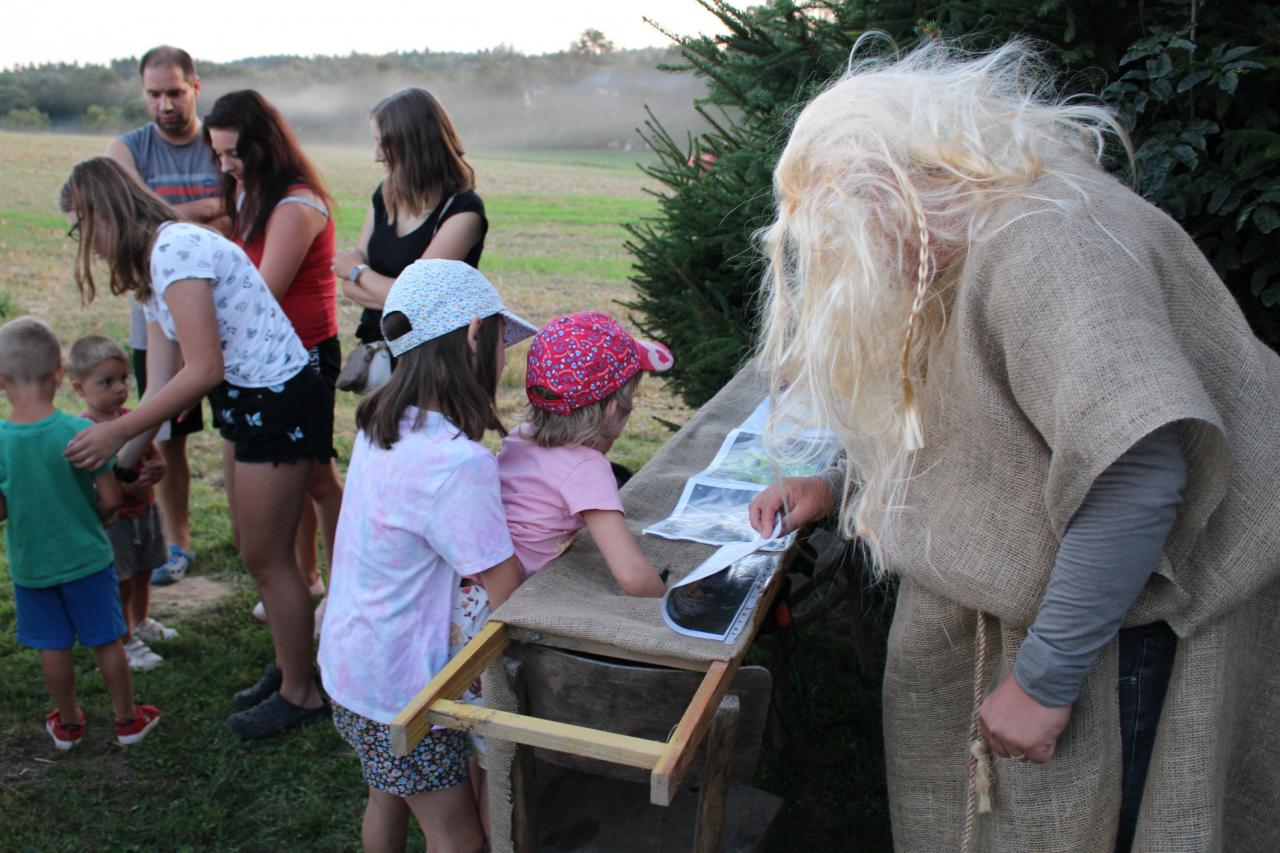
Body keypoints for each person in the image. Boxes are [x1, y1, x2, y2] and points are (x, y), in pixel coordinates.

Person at [745, 41, 1280, 852]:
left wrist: (1043, 679)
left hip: (1126, 625)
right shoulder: (976, 234)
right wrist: (839, 482)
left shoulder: (1045, 244)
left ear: (895, 192)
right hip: (1096, 607)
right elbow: (973, 416)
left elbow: (1137, 468)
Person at [60, 157, 333, 739]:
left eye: (81, 227)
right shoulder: (152, 267)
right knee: (257, 550)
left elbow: (202, 368)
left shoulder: (175, 250)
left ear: (104, 212)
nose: (86, 243)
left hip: (277, 400)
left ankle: (302, 693)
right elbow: (160, 386)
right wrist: (123, 465)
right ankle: (289, 667)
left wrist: (114, 434)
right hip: (247, 400)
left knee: (266, 556)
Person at [317, 259, 532, 853]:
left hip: (351, 667)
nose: (503, 358)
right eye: (501, 341)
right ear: (473, 335)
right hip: (405, 693)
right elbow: (508, 593)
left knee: (386, 793)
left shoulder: (382, 424)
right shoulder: (458, 464)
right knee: (457, 838)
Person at [203, 89, 343, 628]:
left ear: (264, 144)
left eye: (234, 153)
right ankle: (305, 578)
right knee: (297, 476)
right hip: (263, 357)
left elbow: (261, 294)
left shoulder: (295, 204)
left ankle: (339, 585)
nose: (226, 166)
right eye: (218, 154)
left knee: (318, 478)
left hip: (302, 356)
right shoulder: (251, 193)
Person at [0, 317, 161, 750]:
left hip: (32, 565)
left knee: (53, 645)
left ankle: (68, 724)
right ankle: (128, 720)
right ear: (59, 374)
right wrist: (102, 518)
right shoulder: (80, 432)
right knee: (106, 640)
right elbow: (110, 498)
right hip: (87, 558)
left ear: (0, 381)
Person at [107, 44, 224, 586]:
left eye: (175, 92)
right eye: (153, 94)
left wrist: (163, 216)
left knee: (237, 432)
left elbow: (240, 216)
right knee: (168, 434)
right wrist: (204, 211)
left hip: (225, 314)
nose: (164, 105)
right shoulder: (126, 148)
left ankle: (254, 531)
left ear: (195, 86)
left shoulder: (220, 142)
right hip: (155, 317)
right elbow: (132, 222)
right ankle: (177, 543)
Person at [499, 311, 671, 595]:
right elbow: (632, 576)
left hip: (479, 588)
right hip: (521, 596)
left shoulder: (519, 438)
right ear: (613, 411)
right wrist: (668, 598)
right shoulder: (587, 469)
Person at [332, 87, 487, 352]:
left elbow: (414, 300)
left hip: (429, 360)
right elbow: (349, 288)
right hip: (378, 351)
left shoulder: (463, 212)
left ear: (414, 144)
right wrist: (391, 295)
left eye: (384, 143)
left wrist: (358, 272)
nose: (377, 156)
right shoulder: (386, 194)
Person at [68, 335, 173, 671]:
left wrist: (157, 468)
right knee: (122, 581)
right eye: (107, 382)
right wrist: (124, 489)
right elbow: (87, 483)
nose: (119, 388)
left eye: (123, 378)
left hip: (145, 512)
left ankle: (141, 621)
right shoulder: (83, 430)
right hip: (115, 523)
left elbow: (152, 454)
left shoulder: (130, 418)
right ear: (79, 389)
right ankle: (125, 639)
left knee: (144, 571)